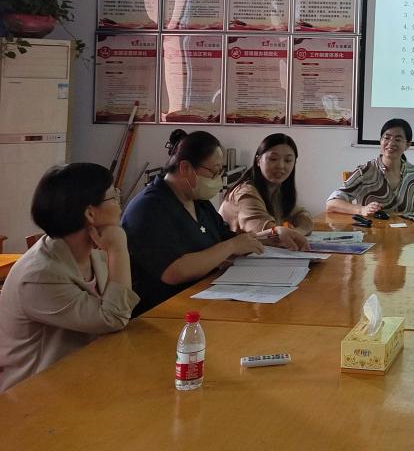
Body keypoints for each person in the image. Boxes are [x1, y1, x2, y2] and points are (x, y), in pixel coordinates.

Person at [0, 163, 138, 392]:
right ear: (90, 213)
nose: (120, 203)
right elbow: (114, 318)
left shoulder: (94, 252)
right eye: (114, 197)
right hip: (34, 395)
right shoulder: (40, 275)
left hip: (84, 376)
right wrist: (118, 248)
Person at [121, 129, 263, 315]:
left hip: (203, 299)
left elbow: (225, 237)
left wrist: (269, 238)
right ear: (186, 168)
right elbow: (173, 271)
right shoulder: (148, 208)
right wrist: (231, 247)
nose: (218, 179)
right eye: (214, 172)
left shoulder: (198, 201)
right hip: (162, 312)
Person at [219, 133, 311, 250]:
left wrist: (298, 232)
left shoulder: (277, 190)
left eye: (288, 160)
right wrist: (289, 234)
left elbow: (304, 217)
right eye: (273, 159)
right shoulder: (246, 192)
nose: (280, 165)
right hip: (232, 259)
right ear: (258, 160)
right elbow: (268, 233)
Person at [326, 118, 414, 217]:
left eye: (398, 139)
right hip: (372, 226)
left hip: (406, 227)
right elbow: (331, 203)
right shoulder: (365, 171)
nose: (391, 143)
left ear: (407, 145)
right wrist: (361, 209)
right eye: (387, 138)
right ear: (381, 141)